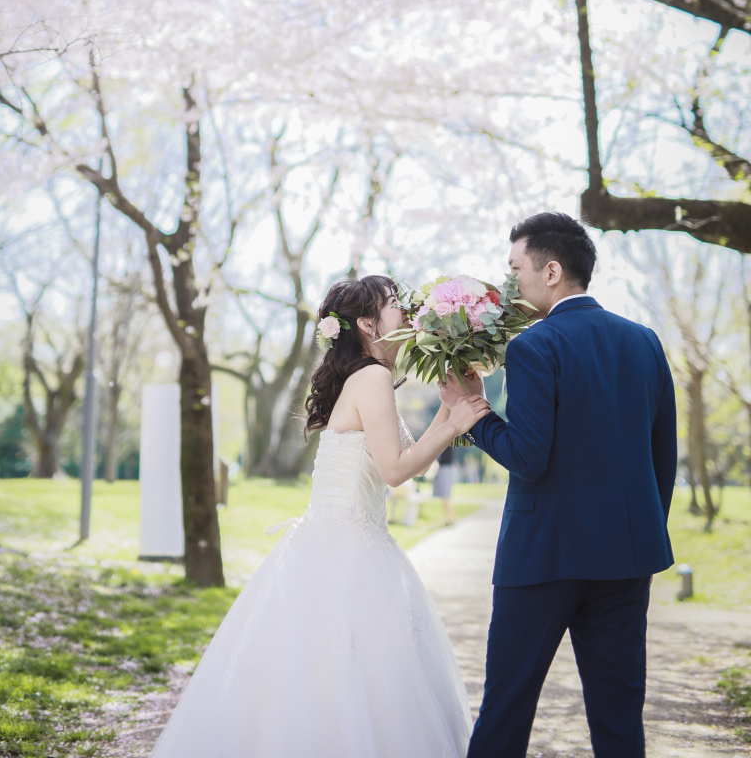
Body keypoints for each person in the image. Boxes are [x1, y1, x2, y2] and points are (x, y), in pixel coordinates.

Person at [149, 274, 488, 758]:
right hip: (348, 550)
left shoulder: (371, 378)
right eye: (395, 304)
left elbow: (408, 464)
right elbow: (396, 471)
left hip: (343, 544)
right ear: (369, 324)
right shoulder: (371, 378)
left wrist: (449, 409)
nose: (408, 311)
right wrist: (454, 422)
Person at [440, 212, 677, 758]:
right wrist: (639, 531)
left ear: (550, 271)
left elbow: (528, 457)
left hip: (543, 556)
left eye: (515, 267)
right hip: (626, 557)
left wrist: (471, 413)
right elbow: (662, 456)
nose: (510, 283)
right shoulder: (645, 342)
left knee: (507, 709)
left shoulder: (533, 346)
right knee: (619, 718)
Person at [433, 445, 456, 525]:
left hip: (445, 468)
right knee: (444, 496)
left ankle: (450, 519)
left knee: (445, 495)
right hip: (443, 467)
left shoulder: (448, 442)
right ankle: (447, 518)